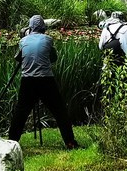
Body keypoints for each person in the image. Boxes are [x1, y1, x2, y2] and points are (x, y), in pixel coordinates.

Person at [8, 15, 80, 149]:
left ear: (30, 28)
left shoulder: (23, 41)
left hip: (28, 80)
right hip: (46, 80)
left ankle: (11, 142)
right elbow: (53, 58)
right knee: (59, 110)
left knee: (20, 112)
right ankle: (70, 142)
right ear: (43, 28)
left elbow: (18, 58)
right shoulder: (48, 39)